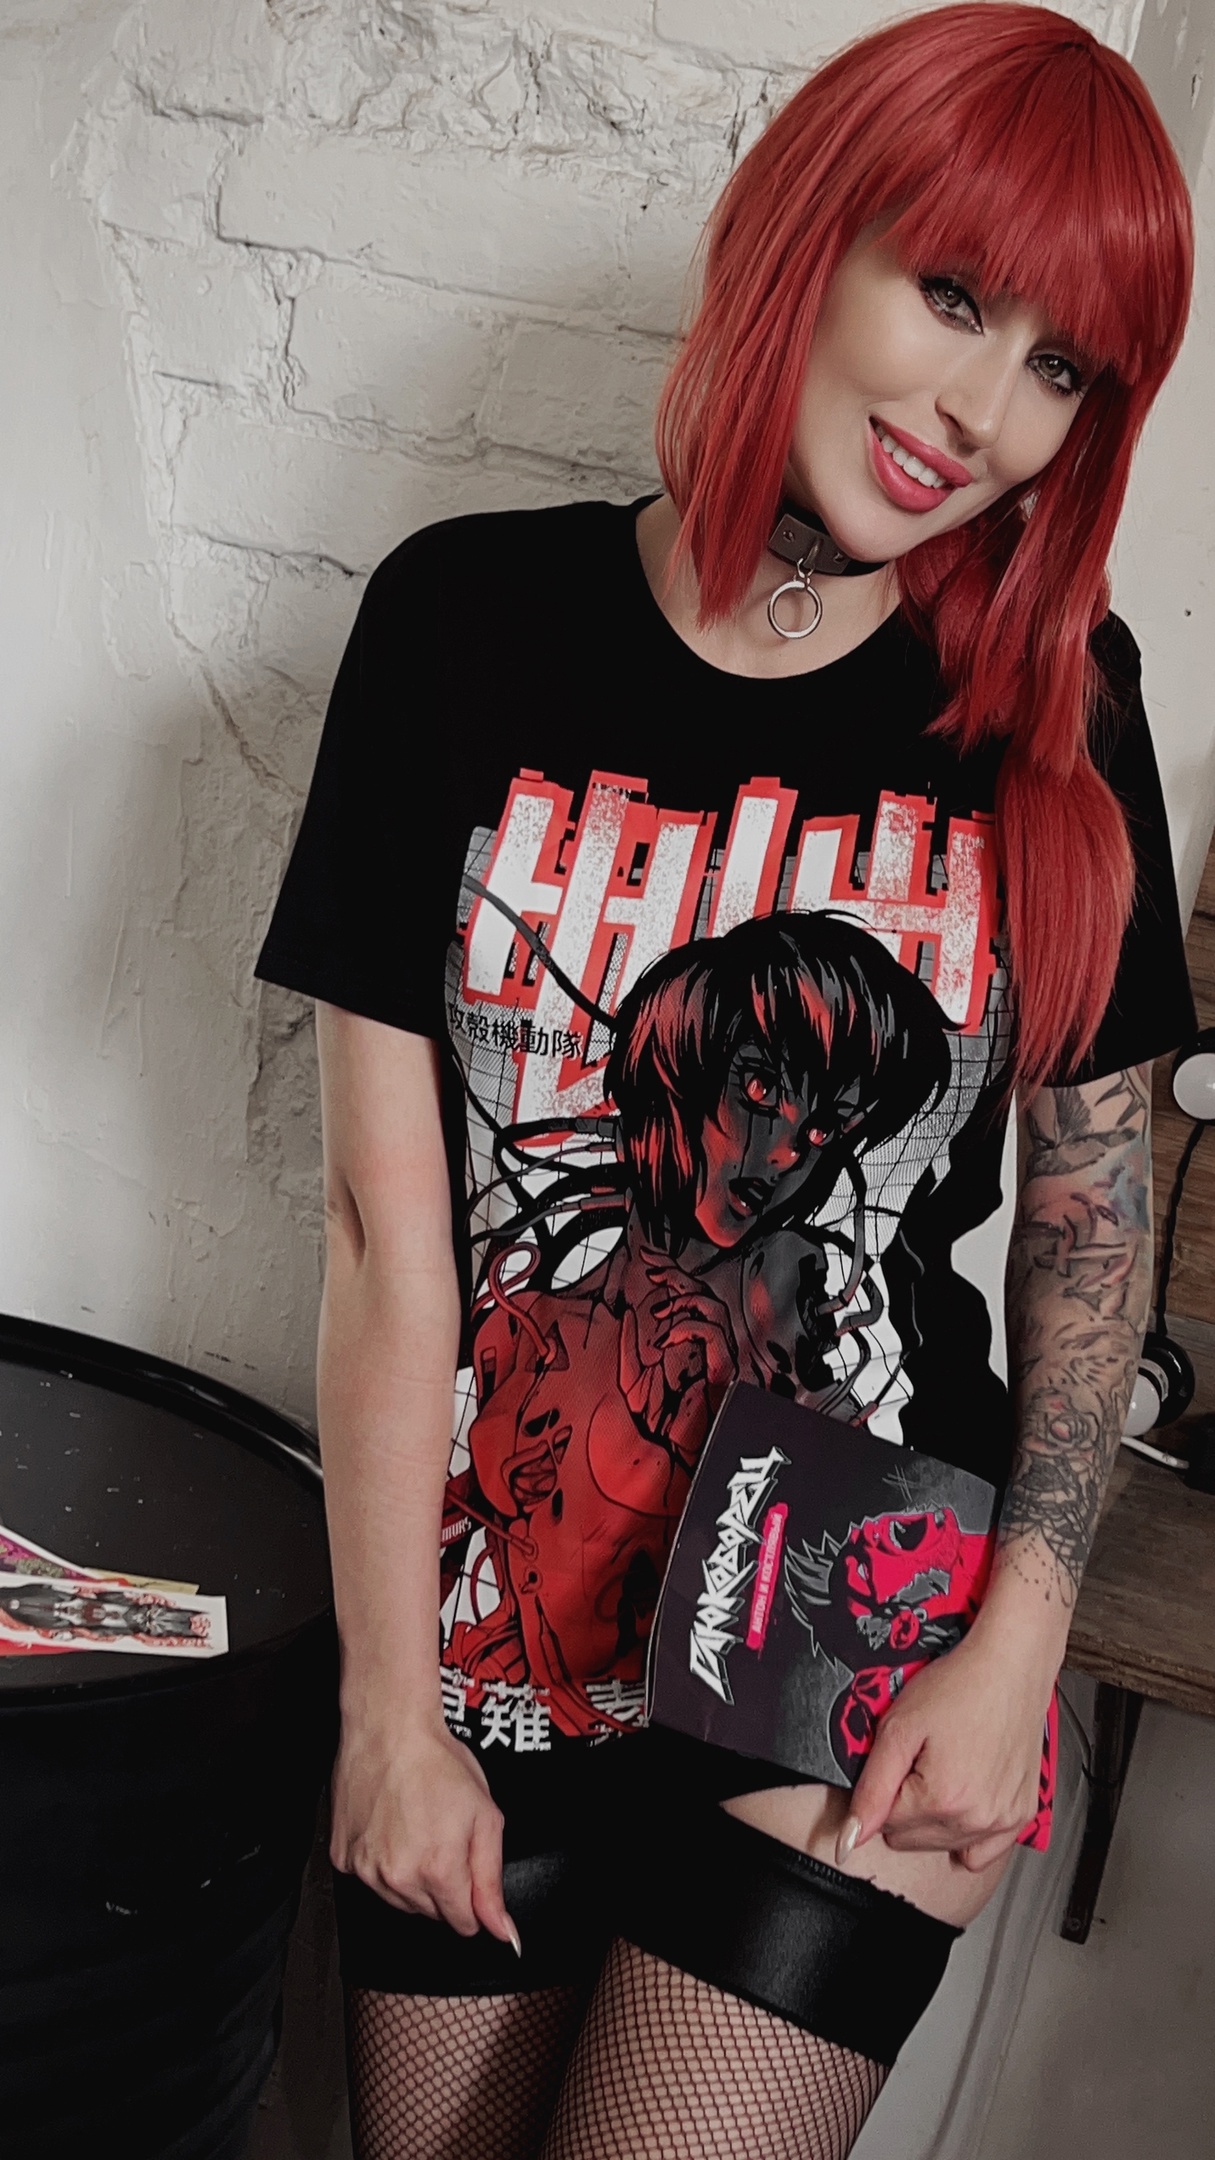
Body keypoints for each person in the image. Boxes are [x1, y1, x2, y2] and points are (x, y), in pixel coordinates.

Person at [255, 7, 1197, 2156]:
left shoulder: (1058, 704)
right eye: (953, 295)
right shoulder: (460, 625)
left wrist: (1013, 1645)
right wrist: (388, 1712)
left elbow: (1089, 1208)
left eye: (1061, 367)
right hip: (500, 1619)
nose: (980, 414)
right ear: (810, 229)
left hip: (857, 1648)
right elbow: (389, 1237)